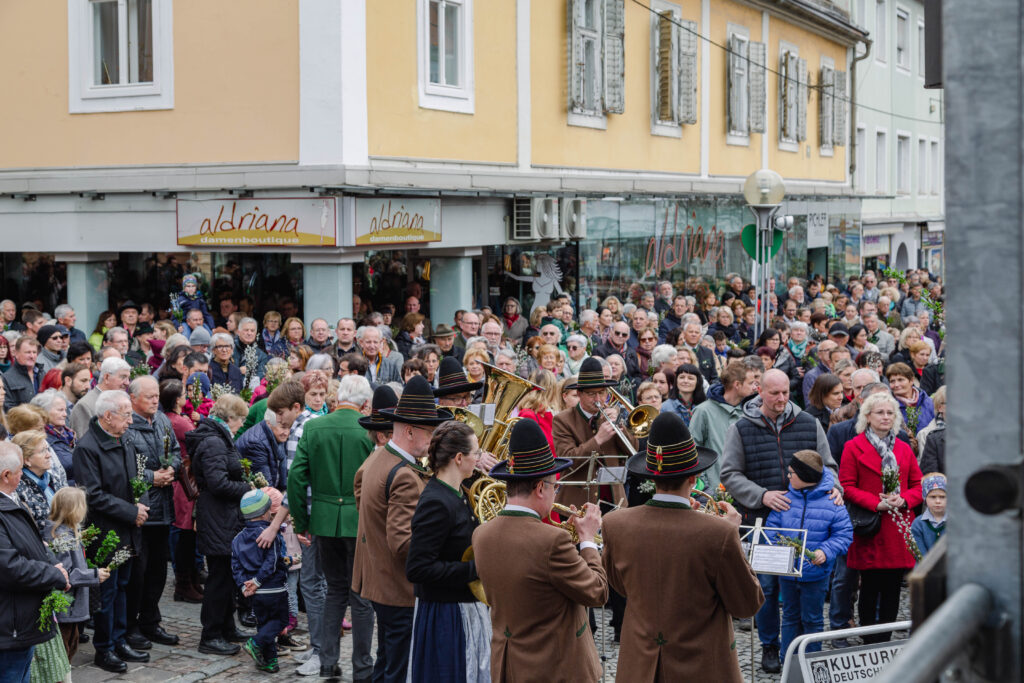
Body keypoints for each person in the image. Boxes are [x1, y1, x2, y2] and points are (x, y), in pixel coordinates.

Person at [603, 412, 761, 681]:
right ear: (694, 477)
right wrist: (731, 534)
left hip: (640, 666)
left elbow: (620, 585)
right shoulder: (719, 532)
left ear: (651, 477)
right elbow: (746, 604)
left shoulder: (614, 524)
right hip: (701, 667)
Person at [719, 369, 841, 673]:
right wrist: (762, 495)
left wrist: (834, 488)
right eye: (774, 393)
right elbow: (730, 474)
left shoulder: (808, 423)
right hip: (762, 521)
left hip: (805, 521)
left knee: (803, 588)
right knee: (768, 589)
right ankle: (770, 646)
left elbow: (828, 466)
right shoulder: (741, 428)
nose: (781, 399)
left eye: (786, 392)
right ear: (759, 391)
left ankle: (801, 648)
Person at [472, 419, 607, 682]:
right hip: (552, 667)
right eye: (555, 487)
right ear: (540, 488)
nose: (556, 494)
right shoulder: (553, 541)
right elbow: (597, 592)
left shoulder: (481, 534)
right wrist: (587, 540)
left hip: (508, 665)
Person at [355, 376, 452, 682]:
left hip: (377, 580)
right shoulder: (405, 474)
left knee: (386, 664)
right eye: (430, 431)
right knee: (398, 670)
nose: (434, 437)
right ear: (409, 430)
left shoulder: (377, 459)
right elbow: (403, 543)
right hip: (398, 589)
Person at [288, 374, 376, 680]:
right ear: (366, 403)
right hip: (359, 522)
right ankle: (362, 667)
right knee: (361, 596)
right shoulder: (368, 430)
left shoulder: (313, 427)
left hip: (323, 520)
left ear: (337, 400)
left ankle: (328, 661)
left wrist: (302, 521)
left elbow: (296, 478)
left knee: (335, 591)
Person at [405, 420, 491, 682]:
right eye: (476, 453)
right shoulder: (435, 502)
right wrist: (474, 569)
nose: (479, 458)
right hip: (446, 615)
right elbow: (417, 568)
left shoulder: (458, 493)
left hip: (462, 608)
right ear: (458, 457)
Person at [73, 390, 151, 673]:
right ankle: (104, 648)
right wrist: (132, 512)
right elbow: (92, 494)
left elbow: (137, 479)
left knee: (123, 589)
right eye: (126, 414)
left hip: (129, 529)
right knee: (107, 593)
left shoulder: (124, 439)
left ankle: (120, 639)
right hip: (107, 532)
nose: (131, 420)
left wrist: (142, 505)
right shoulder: (87, 448)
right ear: (108, 416)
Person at [839, 392, 923, 643]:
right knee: (869, 588)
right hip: (871, 526)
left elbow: (919, 484)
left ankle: (884, 640)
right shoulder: (853, 447)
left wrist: (905, 499)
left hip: (897, 527)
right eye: (880, 412)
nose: (886, 417)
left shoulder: (904, 449)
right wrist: (876, 503)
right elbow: (847, 485)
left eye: (890, 413)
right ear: (867, 416)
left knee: (892, 590)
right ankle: (869, 642)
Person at [767, 451, 853, 663]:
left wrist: (825, 551)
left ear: (805, 476)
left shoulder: (833, 503)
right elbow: (771, 530)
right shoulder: (784, 500)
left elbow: (844, 535)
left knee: (812, 620)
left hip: (816, 575)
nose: (788, 477)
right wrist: (779, 547)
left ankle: (812, 663)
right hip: (787, 574)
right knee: (789, 617)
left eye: (792, 473)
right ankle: (788, 661)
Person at [187, 394, 254, 657]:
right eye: (240, 420)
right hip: (217, 516)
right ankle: (211, 635)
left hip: (223, 516)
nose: (241, 425)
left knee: (227, 576)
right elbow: (217, 483)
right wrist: (247, 488)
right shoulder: (214, 441)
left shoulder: (217, 437)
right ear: (230, 418)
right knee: (219, 578)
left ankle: (227, 627)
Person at [0, 441, 72, 683]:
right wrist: (54, 574)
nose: (23, 475)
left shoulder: (10, 500)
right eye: (20, 469)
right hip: (9, 626)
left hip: (17, 623)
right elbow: (10, 568)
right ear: (6, 475)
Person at [124, 376, 181, 650]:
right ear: (133, 398)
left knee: (159, 570)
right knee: (138, 572)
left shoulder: (162, 420)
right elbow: (123, 466)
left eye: (156, 396)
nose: (155, 401)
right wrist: (151, 477)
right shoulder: (126, 426)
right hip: (141, 509)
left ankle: (151, 620)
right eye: (149, 397)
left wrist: (172, 469)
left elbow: (177, 452)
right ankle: (131, 625)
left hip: (164, 507)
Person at [551, 357, 636, 510]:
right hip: (577, 504)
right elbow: (567, 460)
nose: (598, 399)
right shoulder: (562, 420)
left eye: (602, 393)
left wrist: (620, 426)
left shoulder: (612, 415)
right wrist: (598, 439)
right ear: (579, 393)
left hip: (615, 500)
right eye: (591, 394)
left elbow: (632, 451)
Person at [44, 487, 110, 666]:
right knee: (65, 651)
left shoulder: (66, 532)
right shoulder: (62, 536)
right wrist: (94, 575)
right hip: (67, 607)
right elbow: (66, 574)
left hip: (71, 607)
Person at [232, 489, 289, 674]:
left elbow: (236, 566)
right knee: (280, 621)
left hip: (254, 593)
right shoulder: (270, 535)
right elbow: (271, 562)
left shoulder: (237, 538)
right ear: (266, 512)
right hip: (272, 588)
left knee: (265, 625)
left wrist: (243, 586)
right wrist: (257, 581)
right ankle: (254, 643)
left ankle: (270, 662)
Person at [689, 363, 760, 493]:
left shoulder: (751, 411)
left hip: (745, 490)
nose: (755, 387)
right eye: (751, 383)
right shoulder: (703, 411)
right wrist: (705, 484)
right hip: (714, 491)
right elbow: (693, 449)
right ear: (737, 385)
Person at [12, 429, 63, 532]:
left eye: (47, 449)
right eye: (42, 451)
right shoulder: (18, 490)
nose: (49, 455)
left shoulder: (53, 479)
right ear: (26, 460)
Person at [70, 357, 131, 439]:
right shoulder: (85, 405)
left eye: (128, 378)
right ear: (106, 377)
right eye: (123, 377)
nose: (127, 383)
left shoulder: (123, 401)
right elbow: (84, 444)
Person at [911, 473, 947, 559]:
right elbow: (920, 554)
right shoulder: (918, 524)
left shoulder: (955, 521)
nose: (938, 501)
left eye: (942, 497)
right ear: (925, 498)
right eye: (933, 497)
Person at [3, 335, 41, 411]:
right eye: (28, 352)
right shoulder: (6, 378)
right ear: (16, 354)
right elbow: (8, 408)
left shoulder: (42, 373)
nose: (32, 356)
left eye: (34, 352)